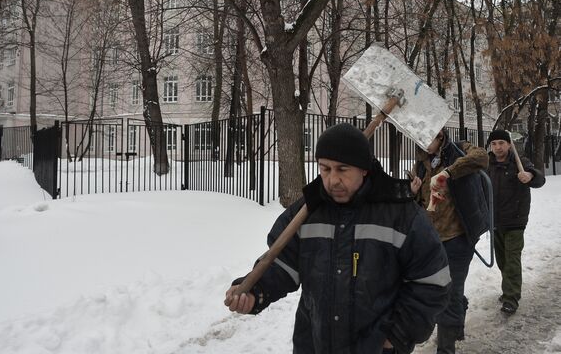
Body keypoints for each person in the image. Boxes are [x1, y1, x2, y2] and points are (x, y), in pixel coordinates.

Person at [225, 123, 451, 354]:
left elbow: (432, 282)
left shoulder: (401, 216)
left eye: (342, 169)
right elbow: (282, 265)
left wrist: (398, 335)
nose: (333, 180)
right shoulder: (305, 213)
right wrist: (256, 291)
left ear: (364, 169)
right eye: (325, 169)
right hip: (313, 345)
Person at [410, 129, 490, 354]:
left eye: (429, 138)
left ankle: (446, 348)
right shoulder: (421, 164)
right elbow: (422, 203)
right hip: (433, 239)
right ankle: (458, 317)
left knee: (450, 292)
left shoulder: (459, 149)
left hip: (458, 237)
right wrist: (413, 192)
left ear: (441, 136)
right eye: (421, 139)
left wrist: (449, 172)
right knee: (441, 290)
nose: (425, 143)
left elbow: (482, 158)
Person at [486, 129, 545, 315]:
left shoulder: (520, 163)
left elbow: (539, 178)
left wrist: (530, 176)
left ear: (509, 145)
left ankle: (511, 297)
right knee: (502, 260)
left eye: (501, 143)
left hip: (515, 220)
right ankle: (509, 288)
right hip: (495, 221)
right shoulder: (487, 164)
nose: (497, 147)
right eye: (494, 144)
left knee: (512, 259)